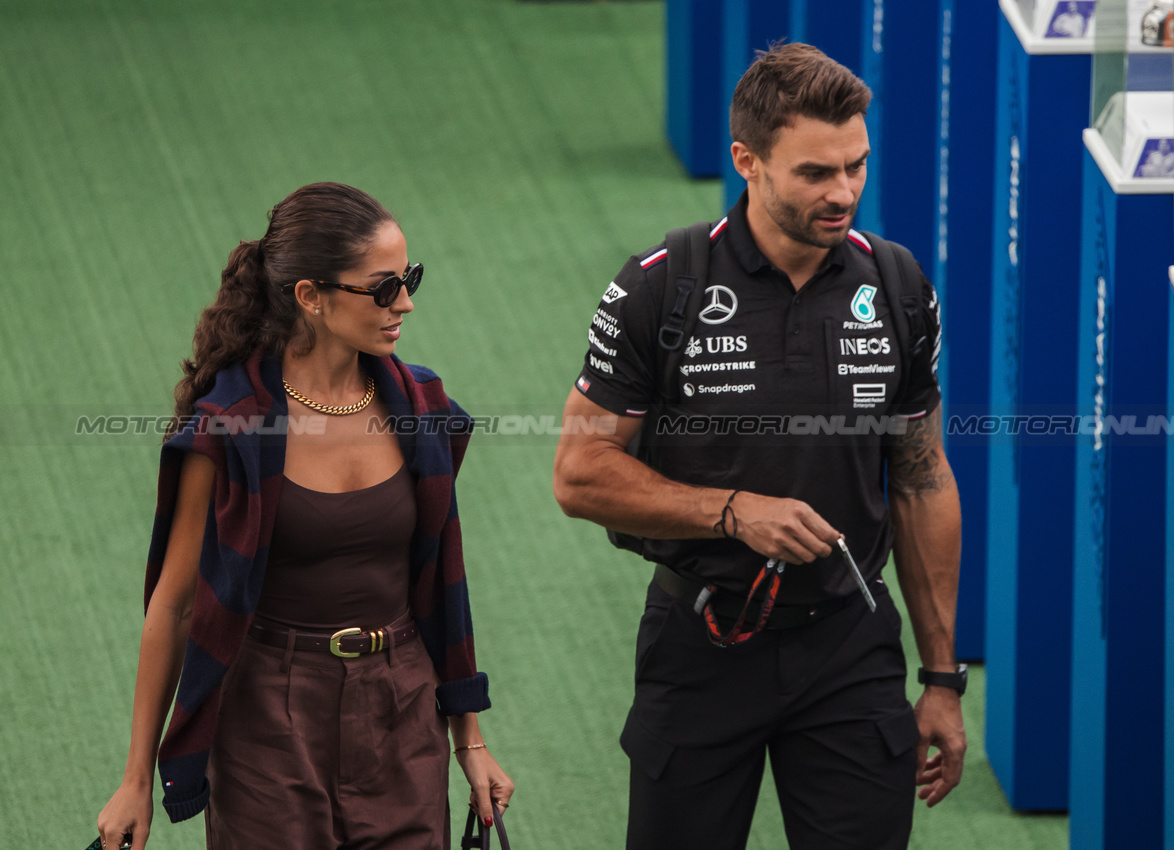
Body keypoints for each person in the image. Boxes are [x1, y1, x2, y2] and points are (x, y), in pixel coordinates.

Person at [553, 44, 965, 848]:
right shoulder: (659, 286)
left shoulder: (899, 287)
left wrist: (943, 678)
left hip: (849, 644)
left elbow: (922, 480)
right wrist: (733, 513)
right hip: (701, 643)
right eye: (815, 172)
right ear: (747, 160)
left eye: (857, 165)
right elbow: (580, 475)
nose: (843, 191)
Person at [96, 182, 513, 849]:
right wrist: (136, 780)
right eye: (381, 288)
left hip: (402, 712)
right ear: (311, 298)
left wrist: (471, 738)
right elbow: (175, 607)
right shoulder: (231, 430)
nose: (404, 302)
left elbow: (442, 583)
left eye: (409, 279)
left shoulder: (422, 409)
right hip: (268, 721)